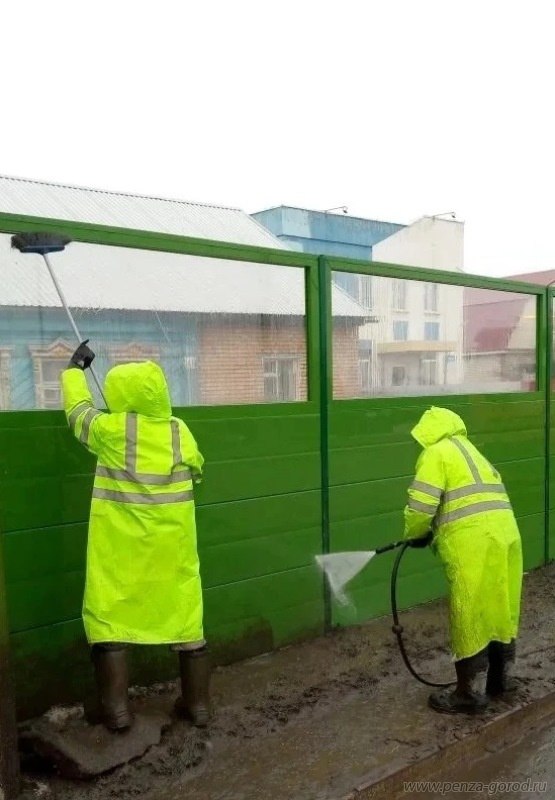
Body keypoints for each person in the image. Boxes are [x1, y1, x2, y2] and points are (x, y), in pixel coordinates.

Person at [61, 340, 209, 731]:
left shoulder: (113, 430)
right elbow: (197, 468)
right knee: (185, 616)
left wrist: (76, 371)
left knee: (110, 616)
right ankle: (198, 706)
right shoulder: (180, 432)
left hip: (121, 548)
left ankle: (117, 712)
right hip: (172, 548)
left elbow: (78, 415)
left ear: (122, 394)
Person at [404, 406, 523, 714]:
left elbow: (420, 505)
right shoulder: (472, 452)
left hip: (472, 542)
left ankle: (468, 693)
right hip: (507, 536)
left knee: (468, 609)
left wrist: (416, 534)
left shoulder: (436, 454)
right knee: (500, 604)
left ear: (427, 432)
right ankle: (501, 680)